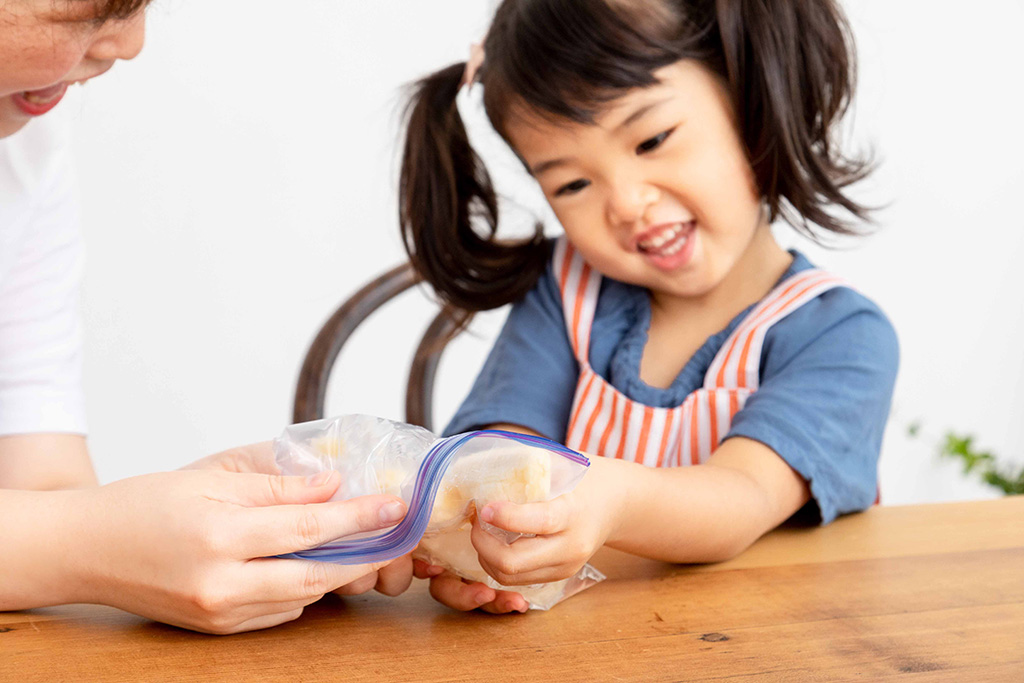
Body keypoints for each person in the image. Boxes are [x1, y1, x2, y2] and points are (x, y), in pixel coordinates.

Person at [398, 0, 899, 613]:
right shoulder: (567, 293)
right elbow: (507, 444)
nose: (627, 203)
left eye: (652, 139)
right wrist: (489, 530)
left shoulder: (841, 335)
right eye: (572, 184)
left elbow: (742, 496)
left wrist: (611, 499)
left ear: (747, 99)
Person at [1, 0, 411, 634]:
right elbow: (60, 537)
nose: (130, 44)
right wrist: (90, 544)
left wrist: (145, 529)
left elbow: (41, 481)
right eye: (87, 9)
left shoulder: (25, 147)